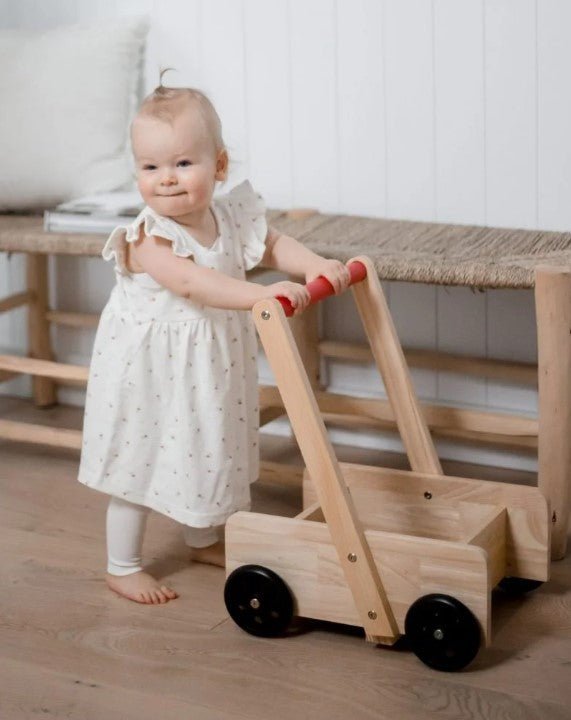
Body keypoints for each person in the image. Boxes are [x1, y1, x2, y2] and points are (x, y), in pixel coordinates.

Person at [77, 79, 351, 605]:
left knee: (209, 444)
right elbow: (189, 283)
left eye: (183, 164)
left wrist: (315, 265)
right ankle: (123, 565)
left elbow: (271, 242)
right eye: (151, 167)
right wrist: (257, 294)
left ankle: (203, 536)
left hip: (206, 366)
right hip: (150, 374)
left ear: (219, 166)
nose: (167, 180)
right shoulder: (149, 237)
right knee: (143, 459)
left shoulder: (228, 215)